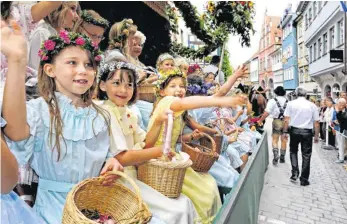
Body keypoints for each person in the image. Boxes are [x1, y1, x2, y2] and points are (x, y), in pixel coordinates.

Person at [2, 27, 123, 223]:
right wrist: (17, 61)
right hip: (52, 209)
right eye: (72, 63)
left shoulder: (102, 115)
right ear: (50, 70)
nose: (83, 70)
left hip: (94, 205)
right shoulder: (38, 111)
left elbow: (107, 154)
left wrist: (112, 163)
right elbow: (16, 135)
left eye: (89, 65)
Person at [96, 61, 199, 223]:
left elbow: (146, 143)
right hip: (119, 180)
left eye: (129, 85)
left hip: (136, 174)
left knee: (184, 203)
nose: (123, 90)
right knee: (176, 211)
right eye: (116, 83)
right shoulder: (105, 112)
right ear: (102, 85)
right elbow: (122, 157)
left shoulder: (128, 113)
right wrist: (161, 151)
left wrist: (157, 121)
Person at [146, 67, 247, 223]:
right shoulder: (167, 102)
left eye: (182, 86)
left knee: (210, 185)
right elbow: (202, 100)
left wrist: (189, 136)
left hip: (174, 157)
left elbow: (174, 138)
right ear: (162, 91)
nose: (179, 89)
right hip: (160, 161)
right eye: (173, 86)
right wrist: (220, 101)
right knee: (205, 194)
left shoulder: (180, 112)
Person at [283, 87, 320, 186]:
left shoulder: (290, 104)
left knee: (293, 151)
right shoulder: (312, 105)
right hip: (307, 132)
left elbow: (286, 119)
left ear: (296, 94)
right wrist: (316, 135)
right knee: (306, 155)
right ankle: (304, 179)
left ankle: (295, 173)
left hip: (294, 131)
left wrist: (285, 132)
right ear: (306, 94)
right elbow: (316, 122)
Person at [257, 86, 288, 165]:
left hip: (277, 121)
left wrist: (261, 120)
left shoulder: (272, 101)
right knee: (284, 140)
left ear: (276, 92)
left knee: (275, 139)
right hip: (286, 122)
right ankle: (282, 158)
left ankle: (275, 155)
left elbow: (267, 112)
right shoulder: (288, 101)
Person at [335, 98, 347, 163]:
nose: (338, 106)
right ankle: (341, 158)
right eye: (338, 104)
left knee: (344, 145)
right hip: (341, 130)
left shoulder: (345, 110)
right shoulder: (339, 110)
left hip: (345, 130)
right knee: (341, 144)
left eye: (339, 104)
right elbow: (339, 119)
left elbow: (344, 119)